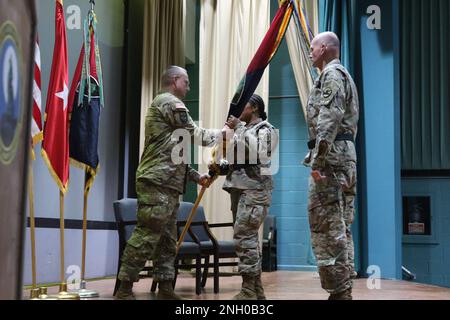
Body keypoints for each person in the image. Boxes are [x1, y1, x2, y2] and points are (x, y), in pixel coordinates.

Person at [115, 66, 225, 300]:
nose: (189, 85)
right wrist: (223, 133)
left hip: (168, 183)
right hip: (157, 182)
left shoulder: (169, 110)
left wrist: (197, 177)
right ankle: (124, 287)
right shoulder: (169, 102)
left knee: (166, 240)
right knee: (147, 234)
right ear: (174, 80)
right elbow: (196, 135)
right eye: (186, 81)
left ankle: (165, 288)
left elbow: (177, 155)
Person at [303, 32, 359, 300]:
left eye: (313, 48)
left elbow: (329, 117)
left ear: (324, 48)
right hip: (342, 155)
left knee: (327, 224)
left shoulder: (331, 75)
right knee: (341, 224)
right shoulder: (341, 75)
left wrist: (318, 159)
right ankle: (343, 290)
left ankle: (339, 292)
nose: (310, 52)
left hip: (332, 157)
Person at [220, 94, 278, 300]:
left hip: (255, 190)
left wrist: (239, 128)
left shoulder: (266, 129)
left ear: (253, 107)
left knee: (244, 237)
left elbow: (261, 154)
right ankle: (256, 291)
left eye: (241, 105)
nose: (236, 110)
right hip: (238, 188)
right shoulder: (242, 131)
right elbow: (236, 157)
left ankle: (247, 290)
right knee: (248, 239)